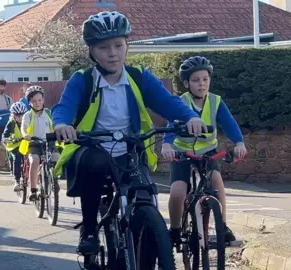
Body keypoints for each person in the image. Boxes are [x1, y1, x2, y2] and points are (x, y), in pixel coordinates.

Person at [51, 11, 207, 254]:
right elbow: (64, 107)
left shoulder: (139, 77)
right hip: (94, 147)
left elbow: (168, 102)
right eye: (103, 47)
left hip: (131, 149)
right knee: (95, 164)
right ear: (91, 51)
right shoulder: (82, 80)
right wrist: (61, 125)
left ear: (126, 46)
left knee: (146, 197)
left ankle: (145, 242)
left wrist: (191, 117)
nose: (112, 53)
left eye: (118, 45)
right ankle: (90, 229)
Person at [161, 56, 248, 245]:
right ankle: (175, 230)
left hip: (208, 152)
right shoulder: (180, 102)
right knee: (178, 191)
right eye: (195, 80)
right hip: (182, 153)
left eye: (205, 79)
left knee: (217, 182)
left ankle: (223, 225)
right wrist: (166, 146)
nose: (201, 84)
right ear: (186, 83)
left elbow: (230, 124)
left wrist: (239, 143)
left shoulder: (216, 101)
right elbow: (170, 126)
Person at [20, 85, 60, 201]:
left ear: (43, 100)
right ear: (29, 102)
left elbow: (56, 125)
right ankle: (33, 190)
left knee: (56, 158)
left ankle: (54, 179)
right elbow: (24, 127)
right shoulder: (28, 115)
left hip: (49, 142)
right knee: (35, 160)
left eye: (39, 100)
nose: (37, 103)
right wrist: (25, 135)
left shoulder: (48, 113)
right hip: (34, 143)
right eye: (34, 101)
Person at [2, 102, 28, 191]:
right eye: (17, 115)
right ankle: (17, 180)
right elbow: (5, 135)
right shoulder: (11, 123)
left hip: (26, 144)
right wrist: (7, 139)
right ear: (13, 115)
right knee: (16, 158)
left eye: (22, 115)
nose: (20, 117)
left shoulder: (28, 122)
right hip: (15, 145)